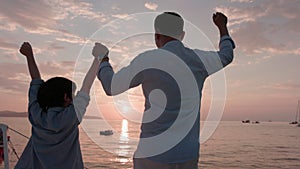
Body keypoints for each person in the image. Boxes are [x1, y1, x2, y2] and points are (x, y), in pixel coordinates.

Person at [95, 12, 235, 169]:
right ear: (182, 35)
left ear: (157, 35)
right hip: (187, 156)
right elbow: (227, 55)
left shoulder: (147, 60)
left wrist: (103, 59)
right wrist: (222, 27)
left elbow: (111, 86)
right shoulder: (198, 60)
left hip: (151, 156)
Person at [15, 42, 106, 169]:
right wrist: (99, 58)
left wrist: (29, 55)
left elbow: (35, 80)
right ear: (66, 97)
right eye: (73, 95)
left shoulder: (36, 115)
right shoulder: (71, 117)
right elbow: (87, 86)